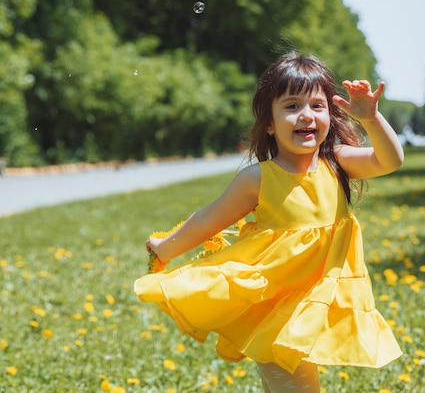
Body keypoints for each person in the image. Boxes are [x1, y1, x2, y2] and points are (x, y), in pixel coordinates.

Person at [134, 52, 404, 392]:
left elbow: (389, 159)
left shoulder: (336, 161)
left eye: (317, 106)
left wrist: (372, 119)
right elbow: (208, 220)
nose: (306, 115)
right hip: (272, 301)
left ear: (330, 118)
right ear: (270, 124)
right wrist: (165, 247)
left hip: (320, 295)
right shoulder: (257, 179)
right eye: (292, 106)